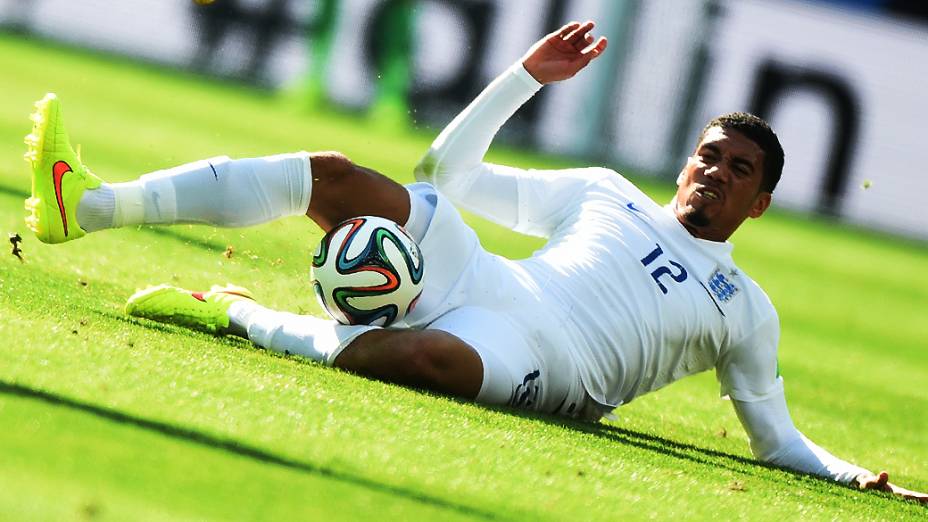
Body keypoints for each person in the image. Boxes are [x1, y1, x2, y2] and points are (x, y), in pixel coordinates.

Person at [23, 21, 926, 503]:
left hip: (550, 366)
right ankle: (90, 205)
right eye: (707, 156)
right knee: (339, 178)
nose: (713, 176)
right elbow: (445, 173)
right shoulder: (605, 191)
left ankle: (237, 312)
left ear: (759, 203)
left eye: (738, 172)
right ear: (686, 160)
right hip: (496, 281)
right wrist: (523, 78)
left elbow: (776, 443)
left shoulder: (746, 308)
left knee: (435, 361)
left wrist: (855, 478)